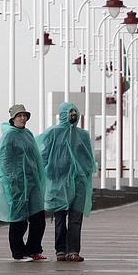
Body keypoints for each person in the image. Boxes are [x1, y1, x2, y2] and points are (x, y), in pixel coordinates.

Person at [0, 104, 47, 262]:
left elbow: (35, 157)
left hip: (32, 183)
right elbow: (4, 160)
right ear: (13, 119)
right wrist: (12, 180)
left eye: (24, 115)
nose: (23, 118)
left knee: (38, 218)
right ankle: (18, 252)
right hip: (17, 184)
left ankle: (33, 250)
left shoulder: (28, 134)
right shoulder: (9, 136)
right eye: (19, 116)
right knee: (19, 219)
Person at [37, 102, 96, 262]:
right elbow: (44, 155)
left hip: (78, 183)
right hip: (58, 183)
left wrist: (84, 173)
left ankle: (74, 251)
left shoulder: (82, 135)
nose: (73, 115)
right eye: (70, 112)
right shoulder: (54, 133)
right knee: (60, 218)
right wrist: (43, 174)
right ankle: (60, 250)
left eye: (75, 112)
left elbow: (89, 158)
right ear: (63, 114)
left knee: (76, 218)